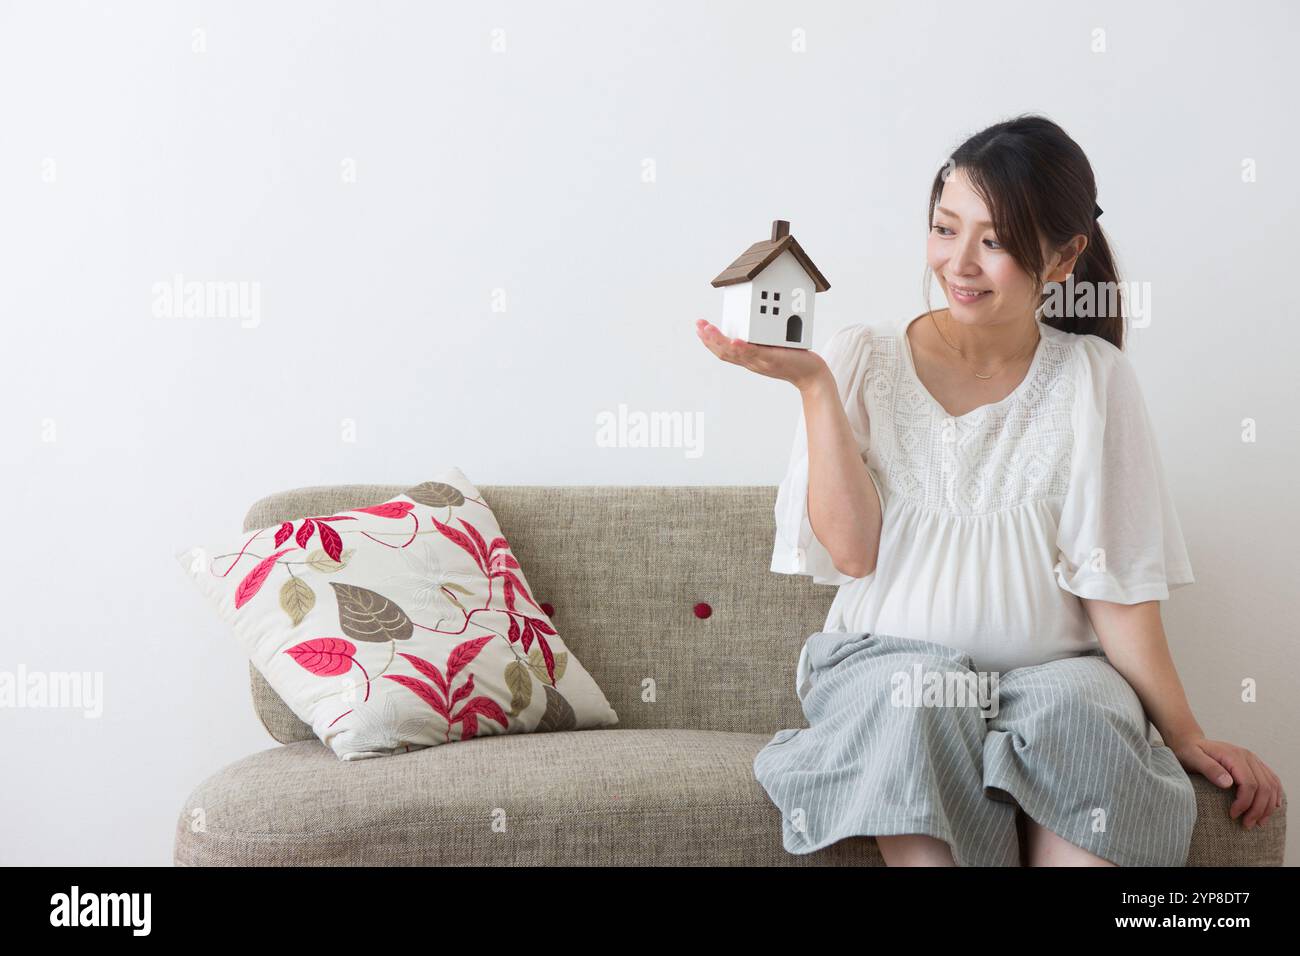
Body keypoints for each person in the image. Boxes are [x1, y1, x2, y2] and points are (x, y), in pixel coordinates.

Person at [695, 114, 1284, 866]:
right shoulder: (861, 357)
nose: (960, 262)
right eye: (946, 229)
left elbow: (1118, 590)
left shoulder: (1093, 381)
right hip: (888, 672)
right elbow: (851, 552)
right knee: (919, 692)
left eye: (996, 241)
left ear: (1064, 255)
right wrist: (814, 388)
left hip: (1056, 679)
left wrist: (1188, 734)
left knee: (1082, 709)